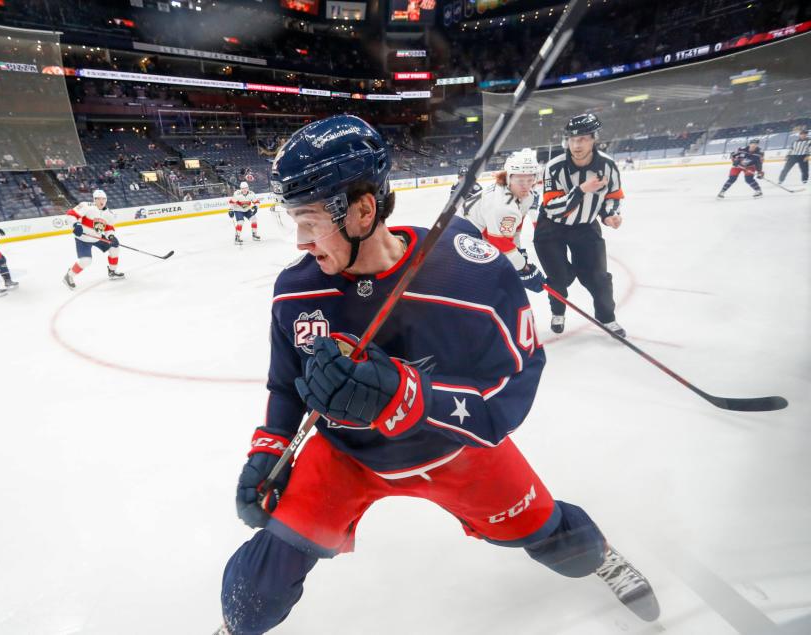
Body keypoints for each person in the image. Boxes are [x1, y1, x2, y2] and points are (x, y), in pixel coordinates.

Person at [216, 115, 659, 635]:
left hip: (455, 452)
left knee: (551, 536)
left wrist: (411, 398)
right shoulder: (296, 292)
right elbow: (285, 386)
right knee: (258, 589)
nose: (300, 241)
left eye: (311, 221)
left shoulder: (468, 273)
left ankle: (598, 554)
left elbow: (511, 385)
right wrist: (268, 451)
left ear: (363, 210)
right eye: (294, 220)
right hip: (344, 457)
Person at [536, 114, 626, 337]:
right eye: (572, 139)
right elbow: (553, 208)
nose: (576, 144)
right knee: (559, 279)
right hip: (551, 228)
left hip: (586, 227)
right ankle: (558, 312)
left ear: (594, 139)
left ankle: (607, 319)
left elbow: (612, 196)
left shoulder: (608, 166)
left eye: (583, 139)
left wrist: (610, 215)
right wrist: (581, 189)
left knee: (598, 278)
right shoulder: (554, 167)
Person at [465, 148, 545, 294]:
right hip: (464, 233)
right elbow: (499, 243)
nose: (526, 185)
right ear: (509, 177)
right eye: (520, 180)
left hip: (480, 230)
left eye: (530, 179)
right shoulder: (504, 206)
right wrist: (524, 269)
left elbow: (515, 229)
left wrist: (518, 251)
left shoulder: (526, 196)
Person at [62, 189, 124, 289]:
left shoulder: (109, 213)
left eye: (103, 199)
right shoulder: (86, 206)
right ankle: (69, 276)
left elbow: (109, 228)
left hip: (98, 238)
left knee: (115, 248)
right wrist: (76, 224)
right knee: (86, 261)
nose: (101, 201)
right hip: (83, 239)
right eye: (98, 199)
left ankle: (112, 271)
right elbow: (71, 215)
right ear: (94, 199)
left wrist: (111, 236)